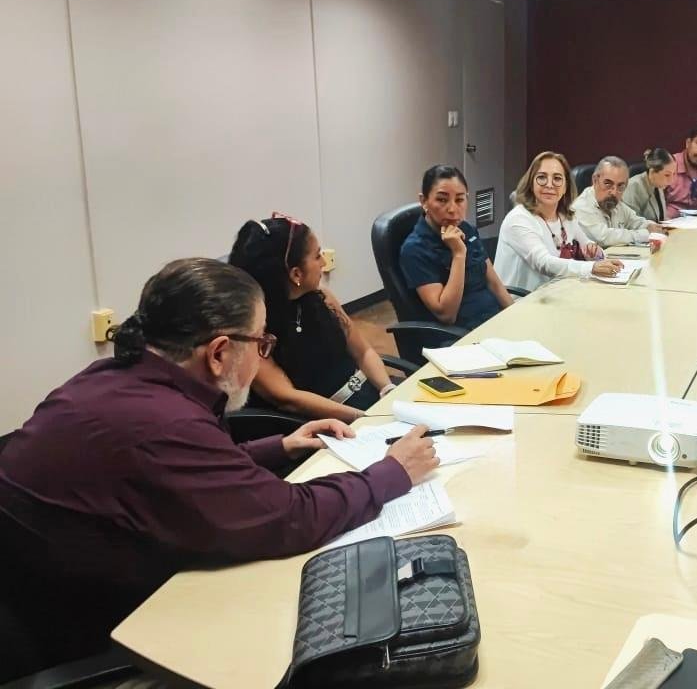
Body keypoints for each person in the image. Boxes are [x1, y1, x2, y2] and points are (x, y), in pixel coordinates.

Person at [0, 258, 440, 679]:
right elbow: (291, 518)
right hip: (99, 637)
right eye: (262, 343)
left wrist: (279, 446)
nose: (263, 355)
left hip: (54, 596)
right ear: (219, 353)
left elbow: (177, 470)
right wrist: (391, 472)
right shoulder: (165, 423)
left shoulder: (112, 378)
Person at [229, 215, 393, 422]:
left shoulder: (322, 298)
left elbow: (364, 351)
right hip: (325, 421)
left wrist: (387, 389)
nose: (324, 262)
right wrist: (365, 417)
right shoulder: (252, 332)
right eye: (317, 256)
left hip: (367, 397)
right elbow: (288, 398)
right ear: (296, 274)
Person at [400, 165, 514, 329]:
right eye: (442, 200)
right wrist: (459, 254)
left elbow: (494, 284)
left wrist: (515, 316)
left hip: (493, 320)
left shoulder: (467, 229)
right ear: (424, 201)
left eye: (459, 200)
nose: (452, 209)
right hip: (460, 334)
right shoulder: (414, 249)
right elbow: (447, 314)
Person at [494, 151, 624, 292]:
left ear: (565, 186)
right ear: (531, 183)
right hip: (522, 299)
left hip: (557, 291)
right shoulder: (519, 219)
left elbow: (588, 246)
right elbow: (543, 262)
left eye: (557, 178)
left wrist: (596, 254)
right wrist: (591, 267)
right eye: (542, 177)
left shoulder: (566, 216)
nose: (549, 184)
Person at [572, 155, 665, 247]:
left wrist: (651, 226)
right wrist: (646, 234)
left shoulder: (615, 204)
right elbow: (604, 238)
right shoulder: (581, 206)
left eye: (620, 186)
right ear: (595, 180)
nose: (614, 192)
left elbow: (635, 221)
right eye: (608, 184)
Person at [623, 147, 676, 223]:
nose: (671, 181)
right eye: (667, 175)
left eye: (674, 174)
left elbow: (661, 218)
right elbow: (630, 223)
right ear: (652, 171)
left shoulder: (658, 185)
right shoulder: (633, 187)